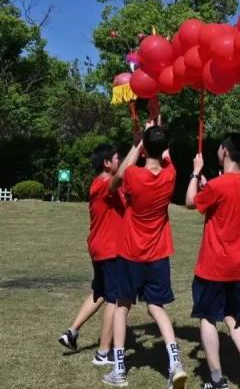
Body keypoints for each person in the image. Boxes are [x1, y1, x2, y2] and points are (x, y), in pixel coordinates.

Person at [103, 124, 187, 389]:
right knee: (156, 307)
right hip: (158, 252)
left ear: (144, 149)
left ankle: (119, 370)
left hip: (131, 251)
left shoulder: (134, 176)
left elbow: (114, 181)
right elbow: (165, 154)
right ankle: (175, 364)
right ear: (164, 150)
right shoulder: (171, 174)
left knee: (122, 306)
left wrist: (138, 143)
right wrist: (155, 132)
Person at [185, 133, 240, 389]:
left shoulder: (217, 186)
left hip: (214, 266)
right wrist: (209, 185)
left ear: (225, 152)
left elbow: (190, 202)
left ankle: (217, 379)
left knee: (208, 317)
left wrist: (195, 174)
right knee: (234, 316)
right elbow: (226, 197)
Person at [59, 143, 124, 366]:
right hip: (109, 249)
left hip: (100, 248)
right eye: (117, 158)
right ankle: (103, 353)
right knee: (115, 300)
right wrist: (141, 144)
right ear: (107, 163)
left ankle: (72, 332)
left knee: (100, 293)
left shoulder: (104, 184)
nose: (120, 161)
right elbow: (122, 176)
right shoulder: (103, 183)